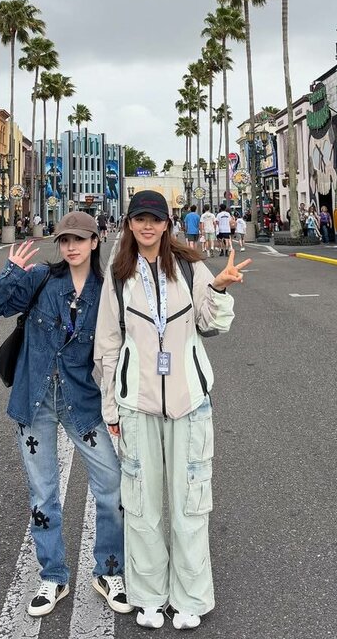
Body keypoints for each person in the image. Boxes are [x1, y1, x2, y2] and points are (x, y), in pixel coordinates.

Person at [94, 190, 250, 631]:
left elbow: (212, 323)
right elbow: (107, 343)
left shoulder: (189, 266)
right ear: (129, 224)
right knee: (142, 504)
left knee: (190, 504)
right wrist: (111, 406)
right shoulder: (118, 273)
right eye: (140, 218)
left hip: (189, 403)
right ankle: (148, 596)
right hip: (137, 403)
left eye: (155, 219)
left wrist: (219, 288)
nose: (147, 226)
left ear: (167, 224)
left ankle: (190, 597)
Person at [0, 212, 131, 619]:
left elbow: (122, 345)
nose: (71, 247)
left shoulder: (107, 292)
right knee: (43, 494)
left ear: (95, 242)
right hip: (34, 402)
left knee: (112, 486)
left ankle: (109, 570)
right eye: (65, 240)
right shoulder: (40, 279)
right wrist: (11, 273)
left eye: (79, 239)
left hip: (81, 402)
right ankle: (53, 576)